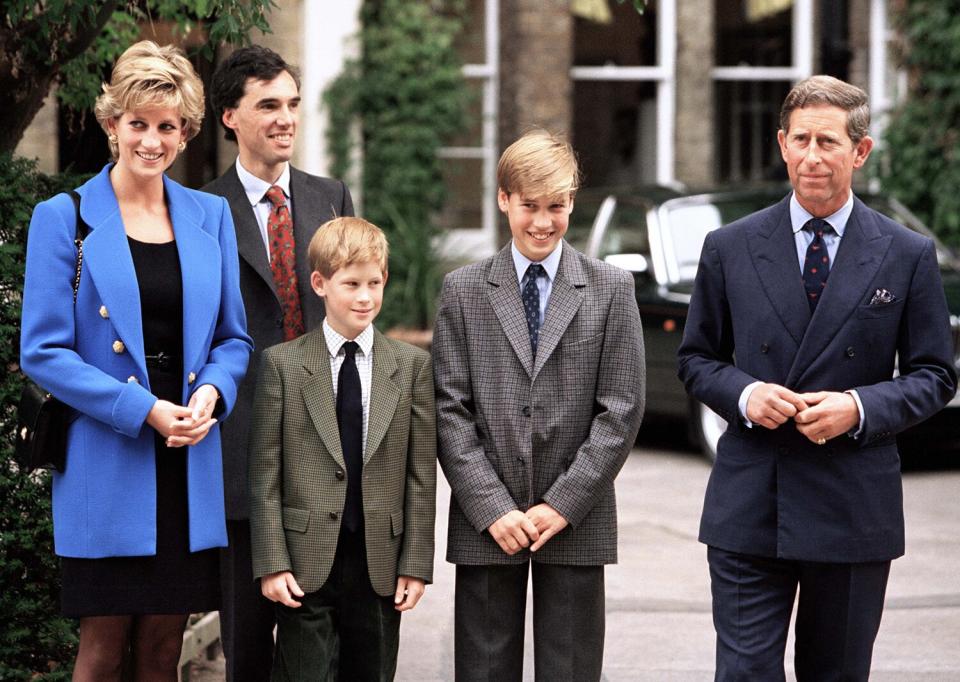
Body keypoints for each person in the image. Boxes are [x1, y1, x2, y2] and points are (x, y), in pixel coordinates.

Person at [677, 75, 958, 680]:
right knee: (745, 672)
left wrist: (857, 407)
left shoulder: (906, 253)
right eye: (800, 139)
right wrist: (747, 395)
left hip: (852, 506)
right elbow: (696, 360)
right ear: (781, 144)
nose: (811, 156)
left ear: (860, 151)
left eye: (828, 142)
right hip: (751, 502)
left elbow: (936, 374)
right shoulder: (729, 246)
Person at [19, 40, 252, 680]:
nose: (152, 141)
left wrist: (212, 393)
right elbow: (41, 351)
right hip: (108, 457)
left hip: (186, 462)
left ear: (187, 132)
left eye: (168, 127)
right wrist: (143, 408)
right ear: (112, 123)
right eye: (138, 124)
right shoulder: (62, 218)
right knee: (99, 650)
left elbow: (234, 339)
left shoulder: (211, 217)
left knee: (161, 650)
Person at [433, 129, 646, 681]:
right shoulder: (463, 290)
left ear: (573, 201)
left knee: (571, 669)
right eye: (529, 206)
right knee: (482, 669)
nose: (543, 222)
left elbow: (620, 410)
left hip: (576, 520)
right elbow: (448, 408)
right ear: (504, 199)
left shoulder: (611, 288)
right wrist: (491, 506)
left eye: (557, 206)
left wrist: (564, 503)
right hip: (488, 524)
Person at [203, 45, 355, 681]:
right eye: (268, 105)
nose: (286, 118)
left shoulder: (331, 196)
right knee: (245, 643)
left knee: (325, 641)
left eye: (292, 103)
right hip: (240, 447)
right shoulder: (200, 208)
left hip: (327, 447)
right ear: (230, 117)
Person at [248, 216, 436, 681]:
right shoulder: (284, 365)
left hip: (379, 565)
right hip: (305, 564)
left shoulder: (410, 366)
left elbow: (421, 477)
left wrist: (415, 564)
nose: (364, 296)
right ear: (320, 283)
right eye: (351, 284)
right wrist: (272, 563)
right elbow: (265, 474)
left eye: (374, 282)